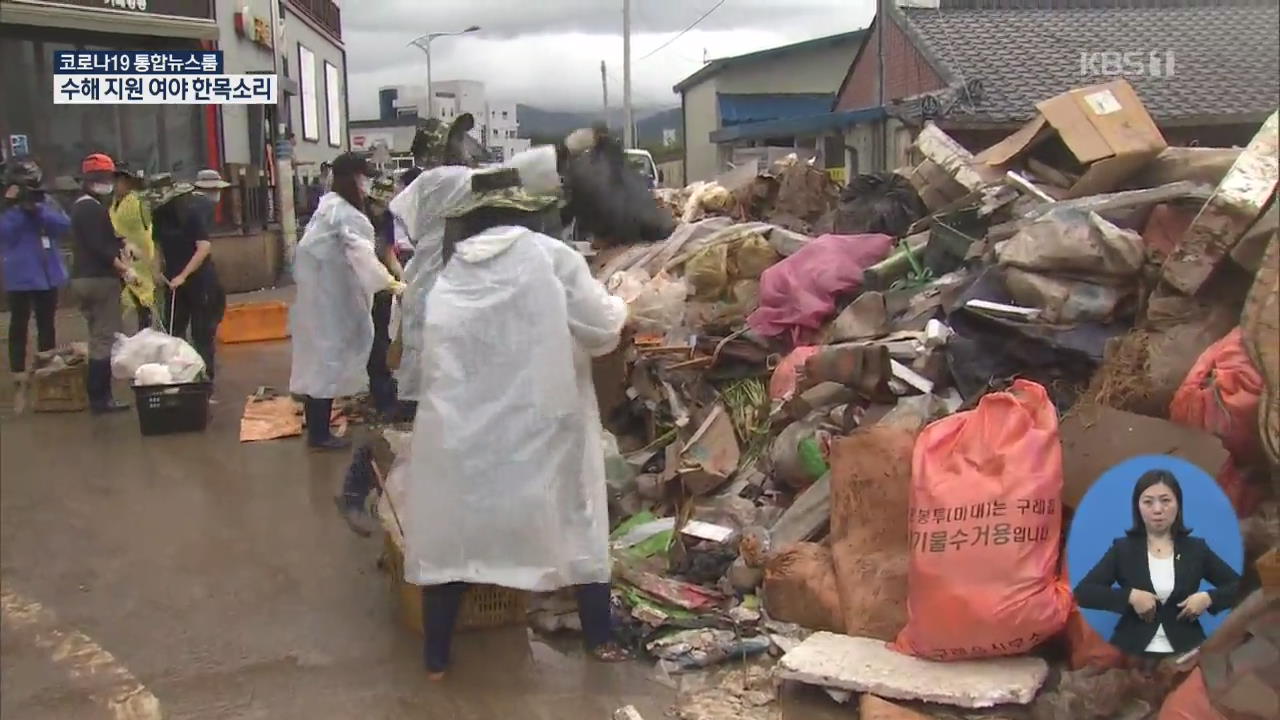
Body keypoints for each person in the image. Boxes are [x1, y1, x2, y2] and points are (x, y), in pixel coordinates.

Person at [402, 166, 630, 679]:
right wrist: (622, 302)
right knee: (577, 519)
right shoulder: (554, 258)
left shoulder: (453, 272)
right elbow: (601, 330)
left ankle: (436, 657)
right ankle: (600, 640)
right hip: (546, 424)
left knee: (457, 536)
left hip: (466, 430)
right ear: (528, 210)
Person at [289, 153, 404, 451]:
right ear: (352, 177)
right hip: (332, 301)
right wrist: (391, 284)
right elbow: (362, 255)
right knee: (327, 363)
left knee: (321, 363)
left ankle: (318, 430)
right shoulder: (347, 214)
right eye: (362, 176)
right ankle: (319, 435)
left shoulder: (327, 208)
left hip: (321, 298)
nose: (366, 183)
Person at [1074, 469, 1242, 659]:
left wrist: (1208, 598)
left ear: (1178, 504)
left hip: (1185, 651)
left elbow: (1240, 587)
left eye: (1165, 500)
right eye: (1148, 502)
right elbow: (1083, 593)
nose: (1157, 509)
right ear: (1137, 507)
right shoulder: (1123, 549)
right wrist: (1130, 596)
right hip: (1132, 653)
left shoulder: (1196, 549)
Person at [1, 159, 70, 412]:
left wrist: (38, 210)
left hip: (47, 273)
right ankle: (18, 372)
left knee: (46, 321)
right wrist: (14, 208)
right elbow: (3, 234)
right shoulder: (7, 208)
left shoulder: (46, 202)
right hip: (20, 274)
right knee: (19, 324)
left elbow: (64, 225)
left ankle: (47, 363)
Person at [69, 153, 134, 413]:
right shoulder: (91, 208)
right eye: (103, 178)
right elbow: (99, 247)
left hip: (82, 279)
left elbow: (102, 238)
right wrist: (125, 270)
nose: (107, 183)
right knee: (103, 339)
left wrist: (123, 243)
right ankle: (100, 398)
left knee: (97, 335)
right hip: (99, 280)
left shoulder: (81, 206)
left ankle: (98, 395)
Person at [148, 174, 226, 383]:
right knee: (173, 332)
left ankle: (205, 379)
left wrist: (183, 275)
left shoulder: (191, 214)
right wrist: (156, 270)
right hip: (173, 284)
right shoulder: (159, 216)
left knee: (202, 334)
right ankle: (178, 377)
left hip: (200, 281)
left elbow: (203, 247)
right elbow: (157, 246)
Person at [109, 162, 157, 333]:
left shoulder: (137, 202)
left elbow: (147, 228)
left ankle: (145, 333)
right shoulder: (114, 203)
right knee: (125, 301)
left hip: (138, 256)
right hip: (121, 257)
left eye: (120, 181)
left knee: (142, 299)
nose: (116, 186)